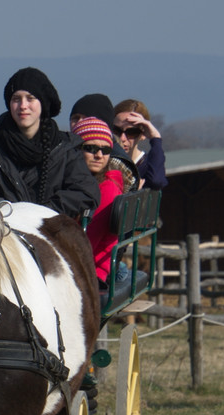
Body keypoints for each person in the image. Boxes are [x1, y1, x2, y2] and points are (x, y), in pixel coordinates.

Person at [0, 67, 99, 220]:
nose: (23, 106)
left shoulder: (66, 149)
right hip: (3, 234)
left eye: (30, 98)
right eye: (16, 99)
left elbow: (85, 192)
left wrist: (42, 214)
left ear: (43, 103)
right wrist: (8, 212)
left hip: (53, 235)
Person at [72, 116, 126, 286]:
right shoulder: (88, 183)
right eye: (91, 148)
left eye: (105, 150)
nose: (99, 155)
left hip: (91, 271)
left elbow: (87, 244)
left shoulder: (107, 189)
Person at [69, 93, 140, 193]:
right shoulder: (66, 152)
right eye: (75, 118)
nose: (80, 122)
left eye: (86, 118)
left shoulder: (115, 163)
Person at [113, 99, 168, 190]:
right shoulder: (103, 160)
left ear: (143, 135)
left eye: (132, 132)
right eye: (117, 130)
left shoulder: (149, 165)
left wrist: (156, 138)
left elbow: (156, 181)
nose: (122, 138)